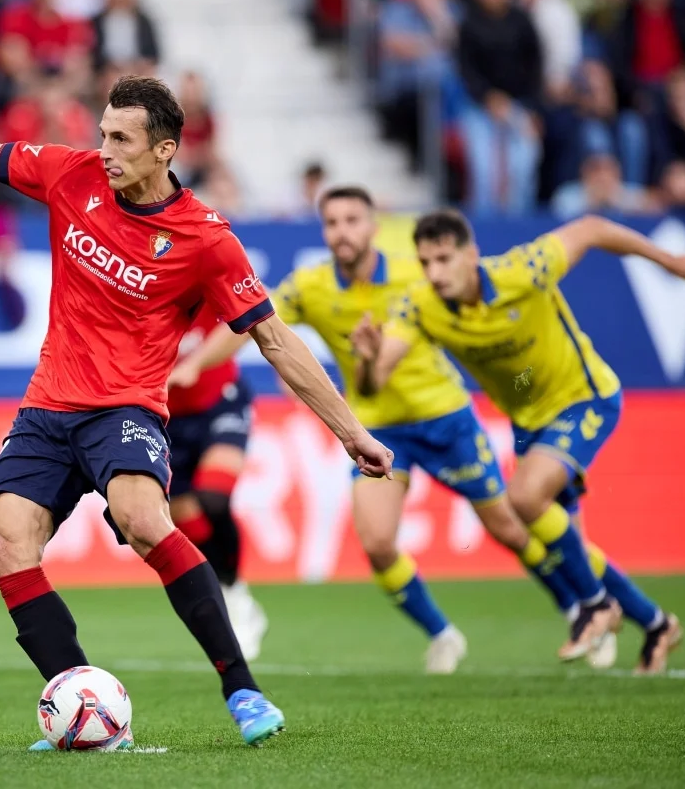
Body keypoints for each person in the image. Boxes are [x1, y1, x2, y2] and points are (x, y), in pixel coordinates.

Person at [0, 75, 394, 749]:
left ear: (165, 150)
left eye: (122, 139)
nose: (106, 149)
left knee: (143, 518)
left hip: (126, 408)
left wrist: (350, 431)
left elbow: (274, 338)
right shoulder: (73, 175)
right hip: (47, 406)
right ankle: (85, 706)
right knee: (6, 541)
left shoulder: (207, 240)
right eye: (103, 133)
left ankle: (241, 687)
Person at [172, 186, 598, 673]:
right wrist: (196, 365)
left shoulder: (418, 271)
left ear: (373, 226)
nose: (342, 232)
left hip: (444, 416)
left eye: (352, 220)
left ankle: (577, 606)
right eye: (332, 222)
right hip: (378, 428)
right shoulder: (309, 285)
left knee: (507, 525)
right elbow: (250, 323)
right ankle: (442, 634)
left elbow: (475, 308)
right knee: (376, 542)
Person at [368, 210, 685, 675]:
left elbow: (593, 228)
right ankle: (657, 624)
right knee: (574, 549)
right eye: (426, 262)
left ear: (471, 254)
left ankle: (596, 606)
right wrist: (368, 359)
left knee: (523, 497)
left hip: (584, 399)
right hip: (529, 423)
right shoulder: (419, 305)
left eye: (444, 259)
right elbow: (380, 372)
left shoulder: (525, 269)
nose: (435, 273)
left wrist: (668, 261)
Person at [166, 306, 267, 661]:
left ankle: (236, 593)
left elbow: (242, 325)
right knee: (183, 515)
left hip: (219, 400)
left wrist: (196, 363)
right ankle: (227, 588)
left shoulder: (203, 264)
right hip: (165, 416)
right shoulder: (132, 282)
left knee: (213, 497)